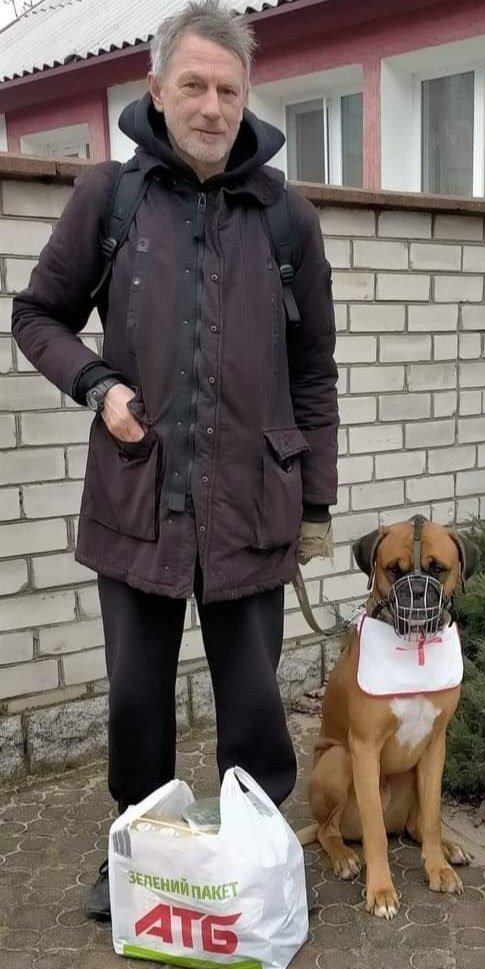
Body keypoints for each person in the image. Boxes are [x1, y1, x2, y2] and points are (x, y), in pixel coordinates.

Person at [11, 0, 338, 921]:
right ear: (155, 90)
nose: (210, 104)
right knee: (137, 698)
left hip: (253, 505)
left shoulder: (287, 221)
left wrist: (316, 501)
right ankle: (137, 854)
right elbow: (36, 315)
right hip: (137, 498)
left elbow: (315, 370)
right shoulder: (107, 199)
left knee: (253, 703)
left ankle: (254, 854)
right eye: (192, 84)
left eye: (228, 88)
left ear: (247, 99)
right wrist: (97, 385)